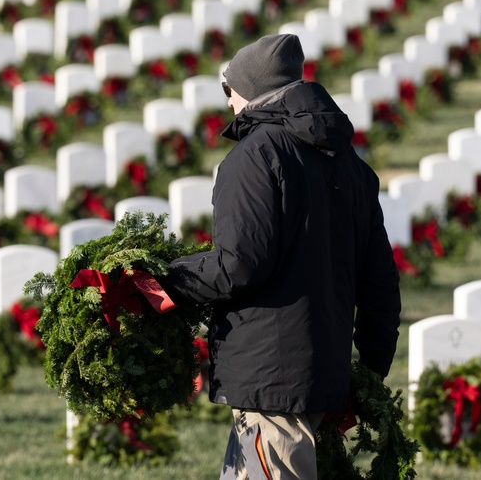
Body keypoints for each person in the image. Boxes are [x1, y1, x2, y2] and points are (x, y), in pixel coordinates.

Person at [161, 33, 402, 479]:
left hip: (271, 385)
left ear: (247, 91)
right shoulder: (351, 166)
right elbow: (381, 285)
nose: (228, 103)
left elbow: (239, 264)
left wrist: (164, 279)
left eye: (228, 90)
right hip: (319, 380)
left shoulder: (254, 156)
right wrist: (365, 374)